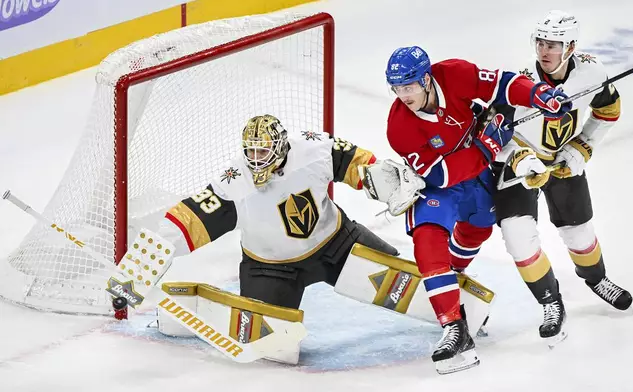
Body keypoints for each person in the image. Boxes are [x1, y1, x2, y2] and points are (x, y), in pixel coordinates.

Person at [370, 45, 571, 373]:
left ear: (426, 79)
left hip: (479, 178)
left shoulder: (454, 74)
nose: (403, 95)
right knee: (427, 238)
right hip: (440, 189)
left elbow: (504, 84)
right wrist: (487, 147)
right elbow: (440, 175)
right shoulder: (399, 126)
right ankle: (454, 326)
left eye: (409, 86)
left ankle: (454, 275)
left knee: (479, 228)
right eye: (397, 88)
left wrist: (539, 94)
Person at [155, 114, 399, 311]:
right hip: (270, 269)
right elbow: (189, 221)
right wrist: (148, 259)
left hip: (337, 246)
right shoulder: (234, 182)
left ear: (281, 146)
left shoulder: (314, 149)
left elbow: (360, 165)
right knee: (267, 339)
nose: (256, 160)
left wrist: (393, 186)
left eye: (262, 152)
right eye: (251, 152)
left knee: (401, 281)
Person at [492, 10, 632, 345]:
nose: (544, 49)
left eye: (553, 43)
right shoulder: (518, 83)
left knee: (579, 230)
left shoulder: (590, 72)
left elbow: (608, 110)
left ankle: (597, 280)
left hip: (563, 160)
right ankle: (550, 302)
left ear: (570, 47)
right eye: (541, 41)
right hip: (518, 164)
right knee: (517, 237)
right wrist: (521, 158)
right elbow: (493, 133)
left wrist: (583, 146)